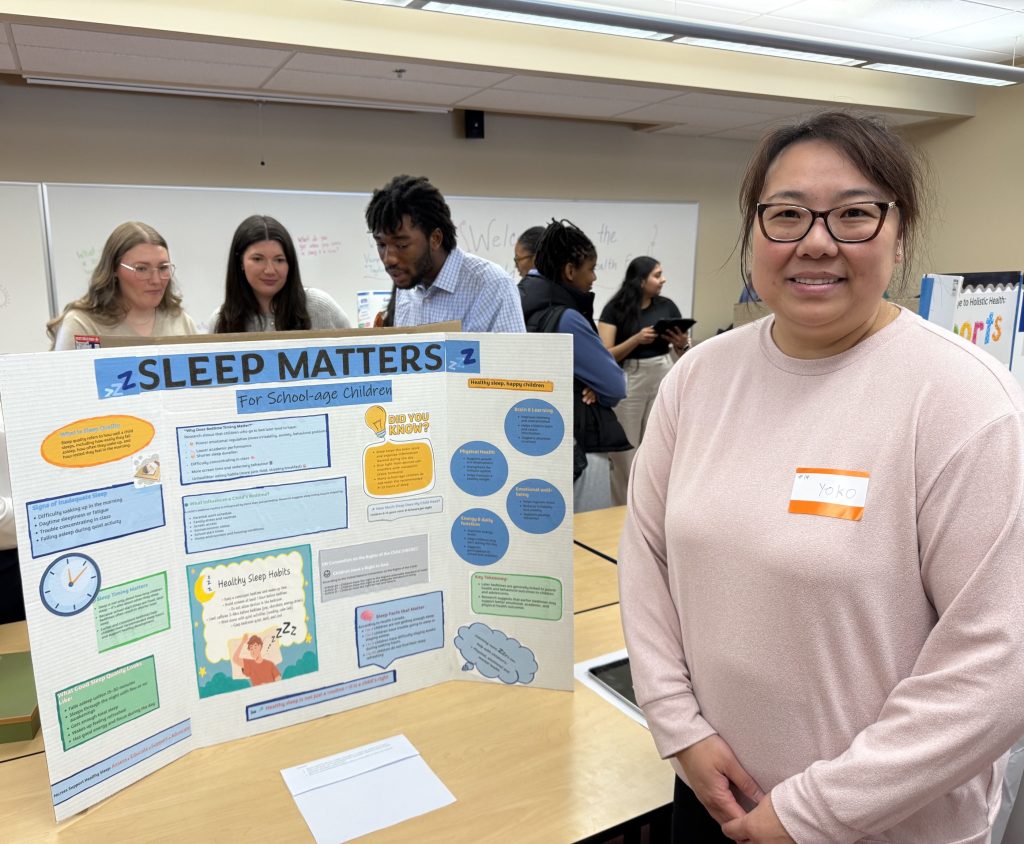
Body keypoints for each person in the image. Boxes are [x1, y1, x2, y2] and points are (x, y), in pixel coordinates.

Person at [618, 111, 1024, 844]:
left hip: (886, 827)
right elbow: (647, 558)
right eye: (787, 215)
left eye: (855, 215)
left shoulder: (966, 403)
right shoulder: (701, 378)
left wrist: (811, 812)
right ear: (755, 234)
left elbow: (998, 666)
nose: (816, 240)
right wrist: (677, 728)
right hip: (715, 793)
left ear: (899, 236)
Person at [519, 219, 626, 497]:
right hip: (578, 447)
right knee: (587, 534)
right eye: (591, 269)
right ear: (569, 271)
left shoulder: (517, 301)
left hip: (531, 441)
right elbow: (616, 386)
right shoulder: (566, 318)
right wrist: (593, 386)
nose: (594, 278)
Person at [365, 175, 525, 332]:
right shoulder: (407, 286)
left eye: (402, 245)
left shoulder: (493, 285)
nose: (389, 259)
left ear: (435, 239)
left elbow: (515, 357)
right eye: (381, 244)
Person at [598, 256, 690, 505]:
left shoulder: (667, 306)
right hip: (630, 376)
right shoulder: (615, 308)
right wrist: (636, 339)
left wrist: (682, 343)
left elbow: (683, 348)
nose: (663, 280)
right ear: (640, 281)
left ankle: (652, 508)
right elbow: (606, 354)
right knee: (626, 450)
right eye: (657, 275)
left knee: (657, 445)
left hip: (663, 370)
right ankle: (622, 510)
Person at [48, 221, 198, 349]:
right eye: (141, 269)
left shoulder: (180, 321)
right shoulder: (82, 325)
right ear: (114, 270)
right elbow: (64, 381)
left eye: (163, 267)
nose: (156, 280)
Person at [211, 215, 351, 333]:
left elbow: (357, 355)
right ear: (240, 262)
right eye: (258, 259)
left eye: (279, 260)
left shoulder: (319, 307)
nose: (270, 270)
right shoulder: (221, 321)